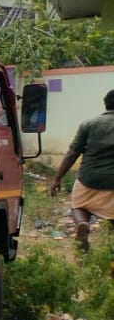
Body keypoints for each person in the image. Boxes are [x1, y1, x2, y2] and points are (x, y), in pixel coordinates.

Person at [49, 89, 114, 253]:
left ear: (105, 105)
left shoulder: (89, 124)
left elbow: (73, 153)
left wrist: (57, 178)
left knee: (79, 205)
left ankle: (82, 225)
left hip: (88, 177)